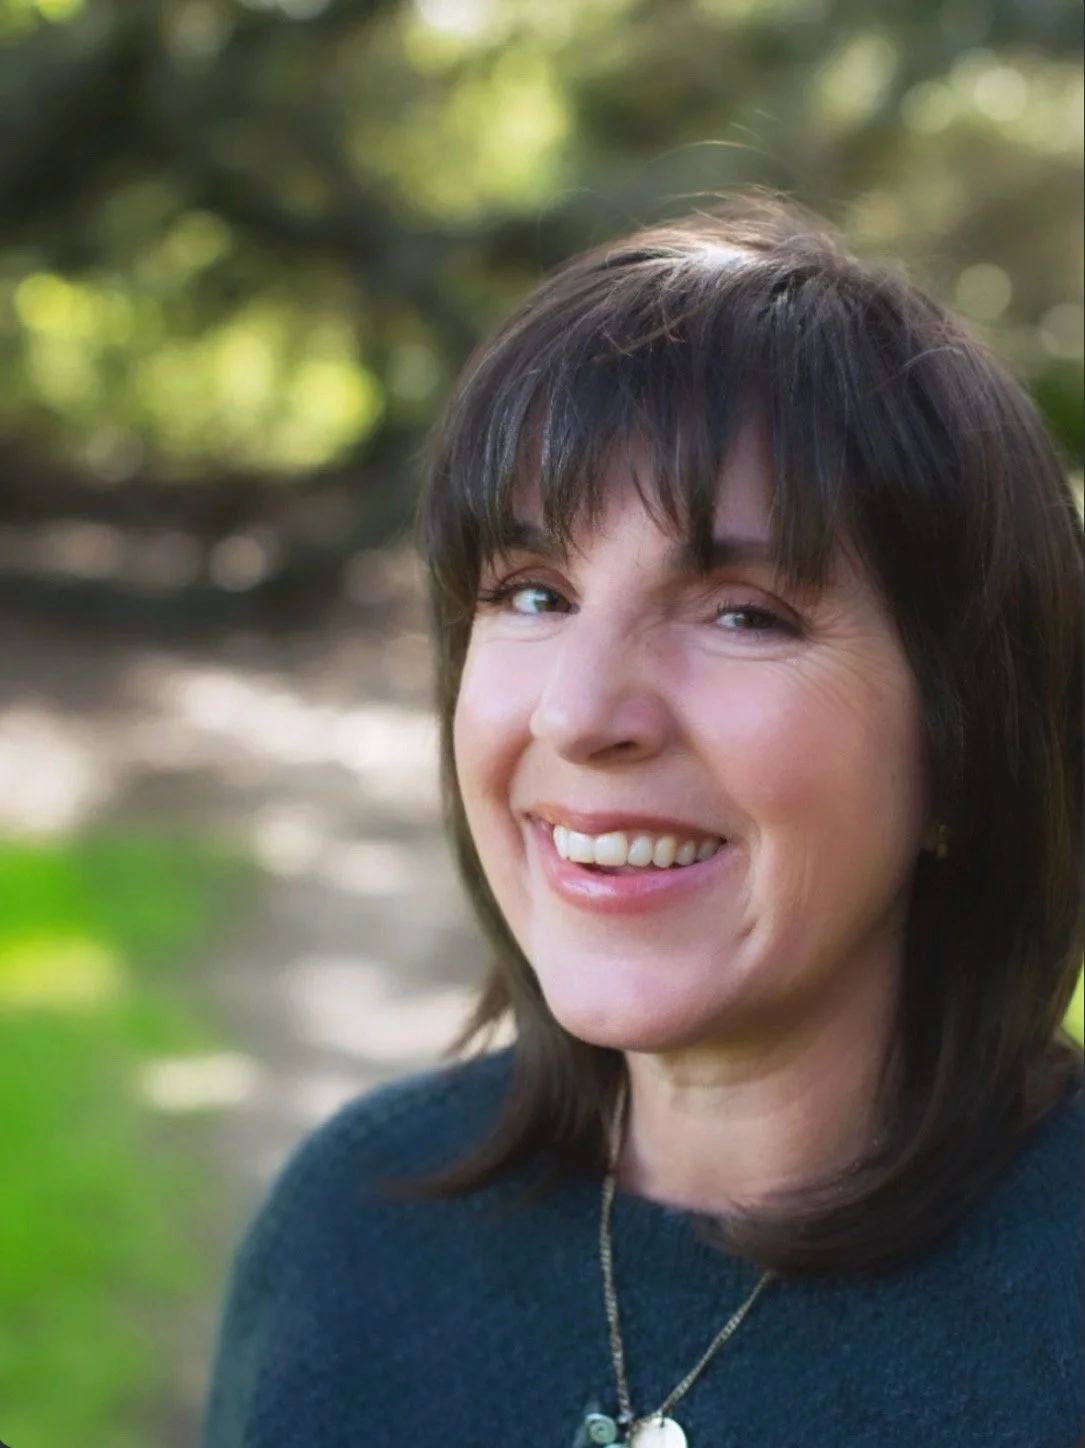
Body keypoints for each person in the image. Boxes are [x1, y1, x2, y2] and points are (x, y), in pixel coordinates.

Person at [202, 196, 1084, 1448]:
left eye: (742, 612)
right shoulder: (348, 1234)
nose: (577, 711)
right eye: (531, 592)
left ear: (963, 746)